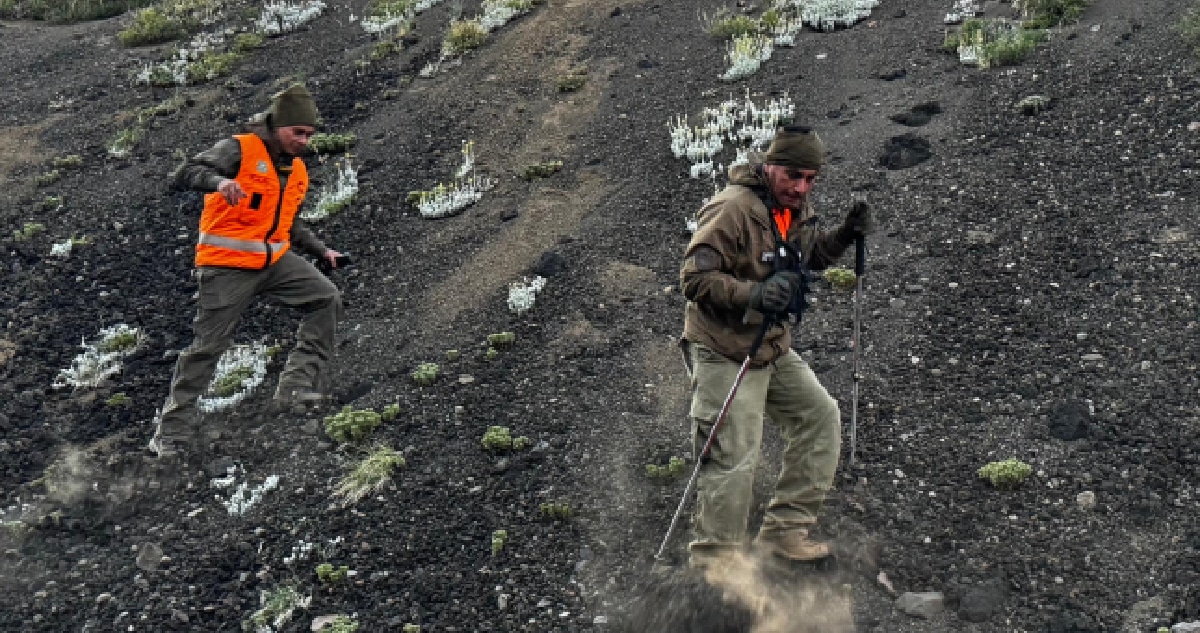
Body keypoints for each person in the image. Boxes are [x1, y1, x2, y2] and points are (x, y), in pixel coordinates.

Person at [678, 125, 876, 567]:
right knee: (734, 456)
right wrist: (753, 294)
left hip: (770, 344)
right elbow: (693, 279)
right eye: (792, 176)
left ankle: (784, 534)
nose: (801, 187)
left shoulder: (795, 209)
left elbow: (809, 258)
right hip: (723, 349)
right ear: (770, 166)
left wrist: (844, 235)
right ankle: (716, 567)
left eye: (809, 179)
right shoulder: (731, 210)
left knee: (820, 418)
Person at [149, 84, 345, 458]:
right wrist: (220, 182)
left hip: (273, 261)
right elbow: (185, 171)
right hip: (226, 267)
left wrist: (322, 251)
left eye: (309, 134)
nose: (304, 140)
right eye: (297, 132)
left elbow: (288, 223)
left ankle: (295, 389)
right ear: (276, 125)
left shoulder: (296, 169)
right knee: (207, 347)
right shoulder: (239, 149)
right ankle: (171, 434)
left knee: (325, 299)